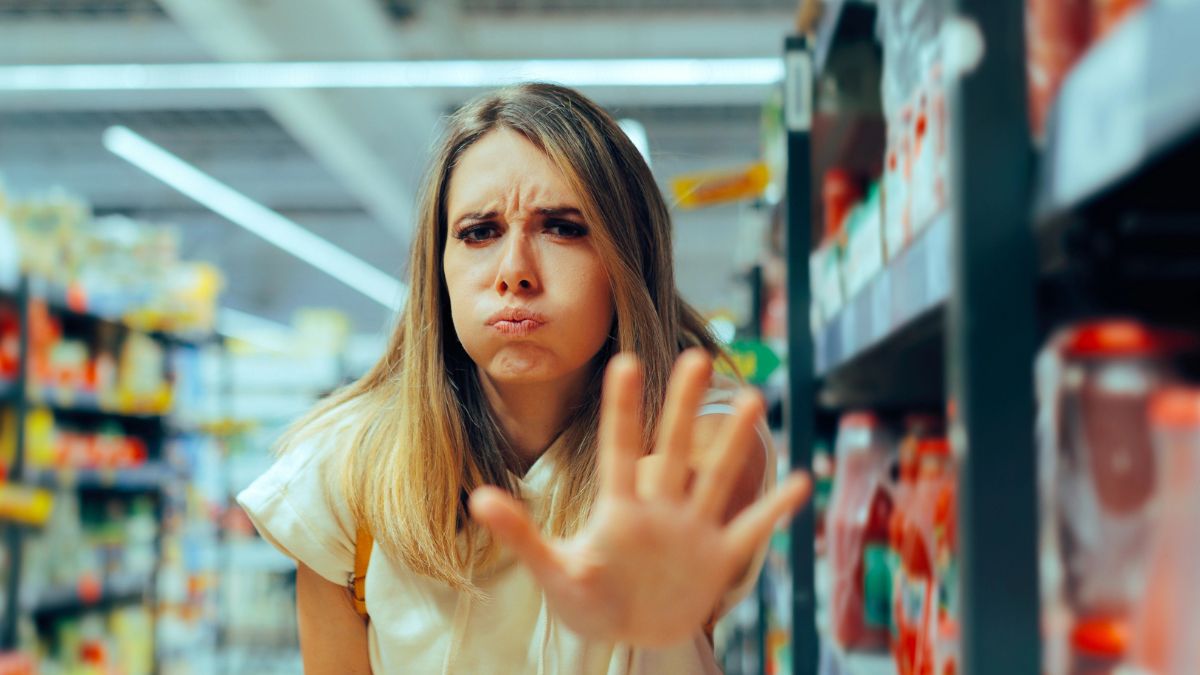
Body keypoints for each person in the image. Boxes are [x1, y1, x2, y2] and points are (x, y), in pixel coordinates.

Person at [237, 82, 811, 674]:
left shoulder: (697, 424)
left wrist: (646, 576)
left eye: (562, 227)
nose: (514, 272)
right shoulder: (345, 469)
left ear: (628, 257)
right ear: (439, 267)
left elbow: (701, 479)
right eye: (479, 232)